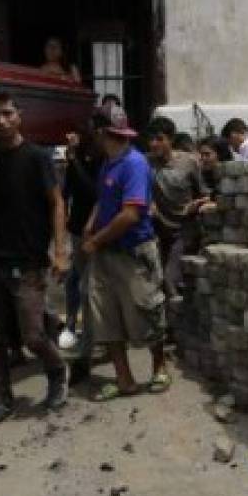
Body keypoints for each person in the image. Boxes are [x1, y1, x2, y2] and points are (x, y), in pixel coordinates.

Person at [0, 88, 70, 429]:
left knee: (32, 336)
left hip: (28, 262)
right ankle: (1, 400)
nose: (1, 120)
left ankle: (57, 371)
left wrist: (60, 251)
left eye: (7, 113)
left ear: (19, 115)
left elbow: (56, 202)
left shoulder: (37, 157)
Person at [83, 105, 167, 400]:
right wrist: (91, 225)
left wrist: (95, 241)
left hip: (133, 251)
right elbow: (104, 200)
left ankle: (159, 369)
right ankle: (124, 379)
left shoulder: (134, 164)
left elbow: (130, 214)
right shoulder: (109, 162)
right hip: (107, 252)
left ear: (101, 132)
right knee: (106, 318)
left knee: (147, 311)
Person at [145, 117, 206, 302]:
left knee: (170, 280)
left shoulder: (189, 163)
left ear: (170, 140)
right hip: (158, 230)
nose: (154, 144)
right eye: (151, 139)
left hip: (184, 230)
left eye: (159, 139)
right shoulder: (146, 163)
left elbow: (203, 193)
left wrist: (196, 205)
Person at [62, 124, 101, 383]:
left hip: (96, 234)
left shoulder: (101, 161)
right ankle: (77, 331)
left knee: (88, 289)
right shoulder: (79, 158)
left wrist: (74, 160)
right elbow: (69, 190)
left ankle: (87, 350)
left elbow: (91, 191)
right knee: (75, 284)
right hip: (77, 231)